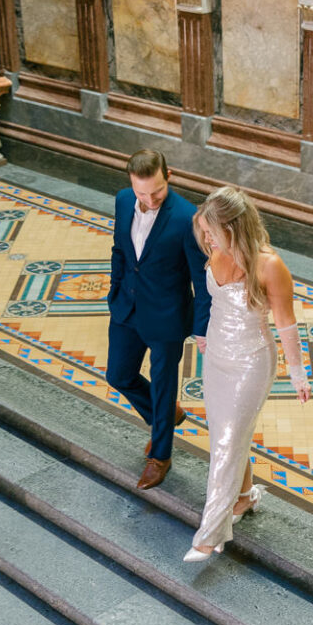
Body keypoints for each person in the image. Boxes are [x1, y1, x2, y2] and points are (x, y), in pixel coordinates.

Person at [184, 186, 310, 562]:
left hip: (251, 363)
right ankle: (243, 496)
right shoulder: (216, 251)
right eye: (204, 231)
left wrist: (298, 374)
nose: (206, 239)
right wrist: (205, 332)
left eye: (212, 231)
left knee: (226, 442)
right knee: (227, 434)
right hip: (218, 357)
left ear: (233, 227)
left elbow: (286, 324)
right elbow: (214, 300)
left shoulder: (270, 265)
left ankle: (209, 535)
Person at [106, 149, 211, 489]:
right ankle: (166, 415)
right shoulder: (123, 201)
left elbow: (201, 278)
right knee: (118, 374)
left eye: (157, 192)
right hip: (126, 308)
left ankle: (161, 455)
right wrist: (115, 290)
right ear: (131, 185)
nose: (150, 200)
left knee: (163, 385)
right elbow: (120, 251)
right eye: (142, 193)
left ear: (170, 176)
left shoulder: (186, 218)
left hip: (167, 317)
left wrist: (201, 328)